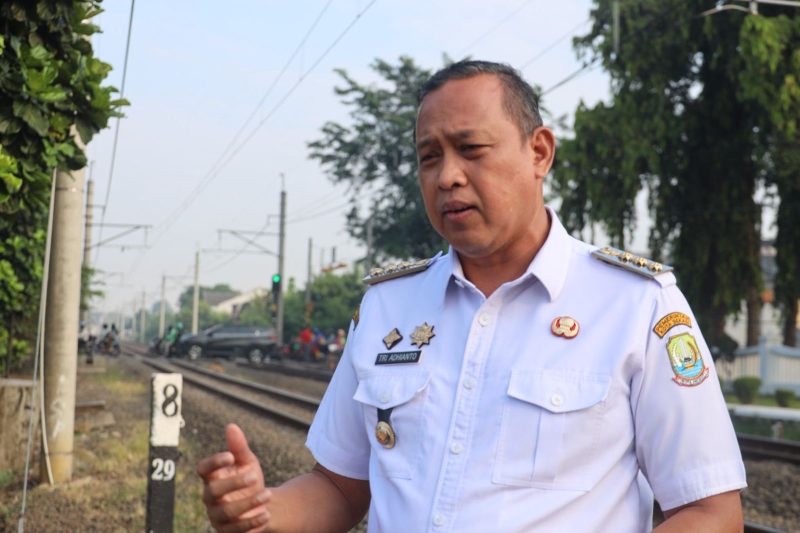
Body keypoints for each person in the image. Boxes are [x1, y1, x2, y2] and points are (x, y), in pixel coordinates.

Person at [197, 60, 746, 532]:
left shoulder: (635, 305)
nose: (447, 177)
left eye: (471, 149)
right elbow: (339, 487)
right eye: (429, 157)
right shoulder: (389, 308)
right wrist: (260, 511)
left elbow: (711, 511)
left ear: (539, 152)